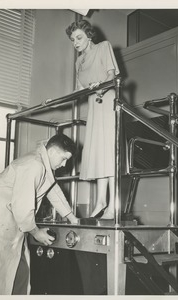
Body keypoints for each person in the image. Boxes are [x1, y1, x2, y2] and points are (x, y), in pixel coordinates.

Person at [0, 133, 78, 295]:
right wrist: (35, 232)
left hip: (8, 222)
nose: (64, 164)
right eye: (63, 159)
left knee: (16, 275)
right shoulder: (34, 165)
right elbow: (22, 205)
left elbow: (54, 192)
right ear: (53, 152)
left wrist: (73, 219)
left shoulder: (43, 165)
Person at [66, 20, 120, 219]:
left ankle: (113, 206)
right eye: (72, 40)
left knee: (109, 150)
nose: (75, 42)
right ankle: (100, 202)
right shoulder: (78, 62)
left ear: (89, 36)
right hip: (94, 105)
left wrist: (101, 85)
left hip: (107, 100)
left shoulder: (103, 47)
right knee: (98, 151)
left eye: (79, 38)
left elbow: (112, 76)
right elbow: (80, 90)